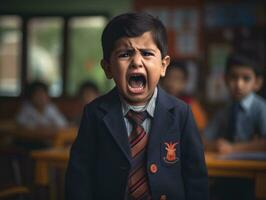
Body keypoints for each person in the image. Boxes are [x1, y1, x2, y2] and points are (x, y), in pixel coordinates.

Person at [65, 12, 208, 200]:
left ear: (163, 65)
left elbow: (196, 178)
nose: (136, 62)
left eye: (147, 54)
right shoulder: (95, 113)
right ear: (107, 68)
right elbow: (79, 177)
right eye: (124, 54)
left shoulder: (181, 113)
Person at [204, 52, 266, 154]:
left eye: (246, 78)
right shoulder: (224, 110)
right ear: (225, 79)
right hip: (230, 165)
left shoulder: (261, 108)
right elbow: (204, 138)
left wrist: (233, 148)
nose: (239, 84)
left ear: (257, 83)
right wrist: (214, 145)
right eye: (233, 77)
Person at [160, 60, 208, 132]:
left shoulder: (191, 105)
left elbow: (200, 131)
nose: (171, 82)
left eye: (177, 78)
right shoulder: (156, 102)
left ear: (184, 83)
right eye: (169, 77)